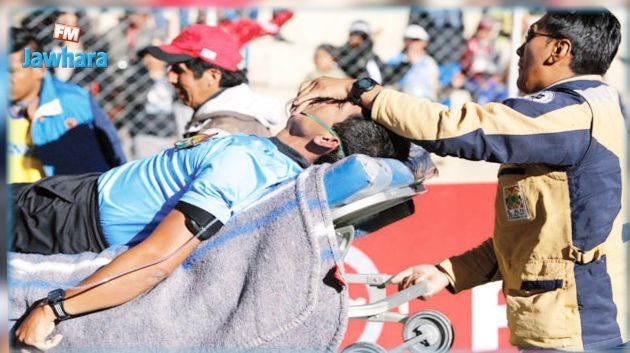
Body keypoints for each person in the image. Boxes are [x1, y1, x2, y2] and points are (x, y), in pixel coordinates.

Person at [295, 9, 627, 351]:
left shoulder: (573, 114)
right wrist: (449, 272)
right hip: (559, 328)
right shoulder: (575, 114)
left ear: (558, 50)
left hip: (582, 331)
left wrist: (361, 90)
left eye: (530, 37)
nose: (517, 50)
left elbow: (459, 128)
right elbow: (533, 240)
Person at [12, 90, 410, 350]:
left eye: (335, 103)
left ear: (326, 139)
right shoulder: (264, 156)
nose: (323, 93)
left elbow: (157, 261)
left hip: (60, 217)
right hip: (68, 198)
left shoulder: (245, 168)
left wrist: (54, 308)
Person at [8, 27, 126, 183]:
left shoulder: (75, 103)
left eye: (10, 70)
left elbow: (114, 152)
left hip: (59, 202)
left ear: (39, 69)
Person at [147, 24, 285, 138]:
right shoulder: (225, 121)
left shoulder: (224, 135)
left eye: (179, 71)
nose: (171, 78)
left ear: (212, 76)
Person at [386, 24, 439, 100]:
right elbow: (389, 81)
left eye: (416, 40)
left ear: (424, 43)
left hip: (424, 100)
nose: (411, 43)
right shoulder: (397, 59)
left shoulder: (429, 62)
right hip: (401, 99)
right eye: (408, 39)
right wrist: (406, 63)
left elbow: (434, 86)